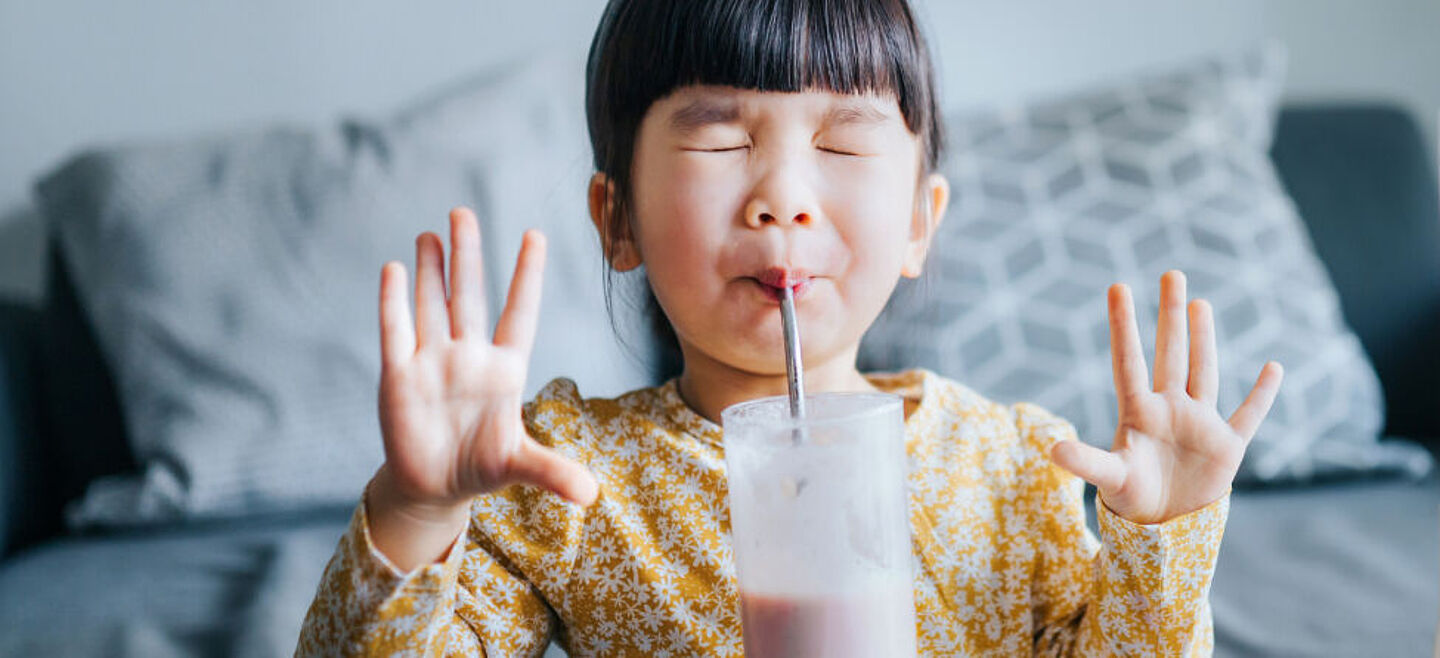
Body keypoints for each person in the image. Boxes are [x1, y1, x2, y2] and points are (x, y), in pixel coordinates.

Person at [297, 0, 1283, 655]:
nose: (784, 197)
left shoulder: (1014, 464)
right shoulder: (563, 477)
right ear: (619, 219)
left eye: (843, 141)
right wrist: (417, 511)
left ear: (918, 223)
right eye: (722, 137)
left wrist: (1160, 547)